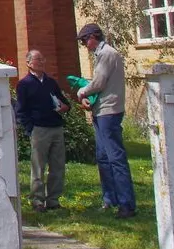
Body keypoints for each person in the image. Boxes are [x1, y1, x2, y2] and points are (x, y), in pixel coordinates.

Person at [75, 23, 136, 218]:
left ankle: (126, 204)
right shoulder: (101, 55)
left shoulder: (107, 54)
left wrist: (82, 91)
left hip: (109, 112)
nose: (85, 45)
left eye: (85, 40)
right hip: (101, 110)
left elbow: (99, 83)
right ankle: (110, 199)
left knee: (115, 158)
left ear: (94, 37)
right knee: (103, 157)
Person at [16, 49, 69, 212]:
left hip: (56, 127)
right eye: (37, 59)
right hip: (39, 129)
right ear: (29, 63)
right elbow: (21, 110)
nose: (41, 62)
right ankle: (37, 200)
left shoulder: (50, 82)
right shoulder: (24, 84)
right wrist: (30, 129)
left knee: (58, 165)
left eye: (42, 59)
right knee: (38, 166)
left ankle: (53, 199)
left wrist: (65, 107)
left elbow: (64, 101)